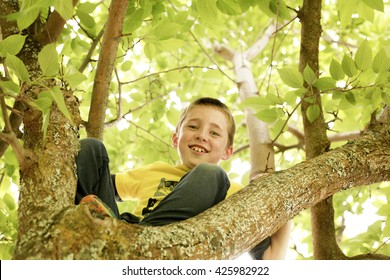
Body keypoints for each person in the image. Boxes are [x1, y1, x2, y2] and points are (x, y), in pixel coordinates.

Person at [75, 97, 284, 259]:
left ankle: (144, 239)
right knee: (90, 148)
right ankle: (87, 226)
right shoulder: (156, 171)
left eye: (214, 133)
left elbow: (270, 257)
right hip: (122, 230)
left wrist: (280, 198)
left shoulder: (233, 192)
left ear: (227, 152)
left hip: (168, 245)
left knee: (211, 173)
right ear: (176, 138)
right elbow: (97, 180)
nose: (202, 135)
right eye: (193, 127)